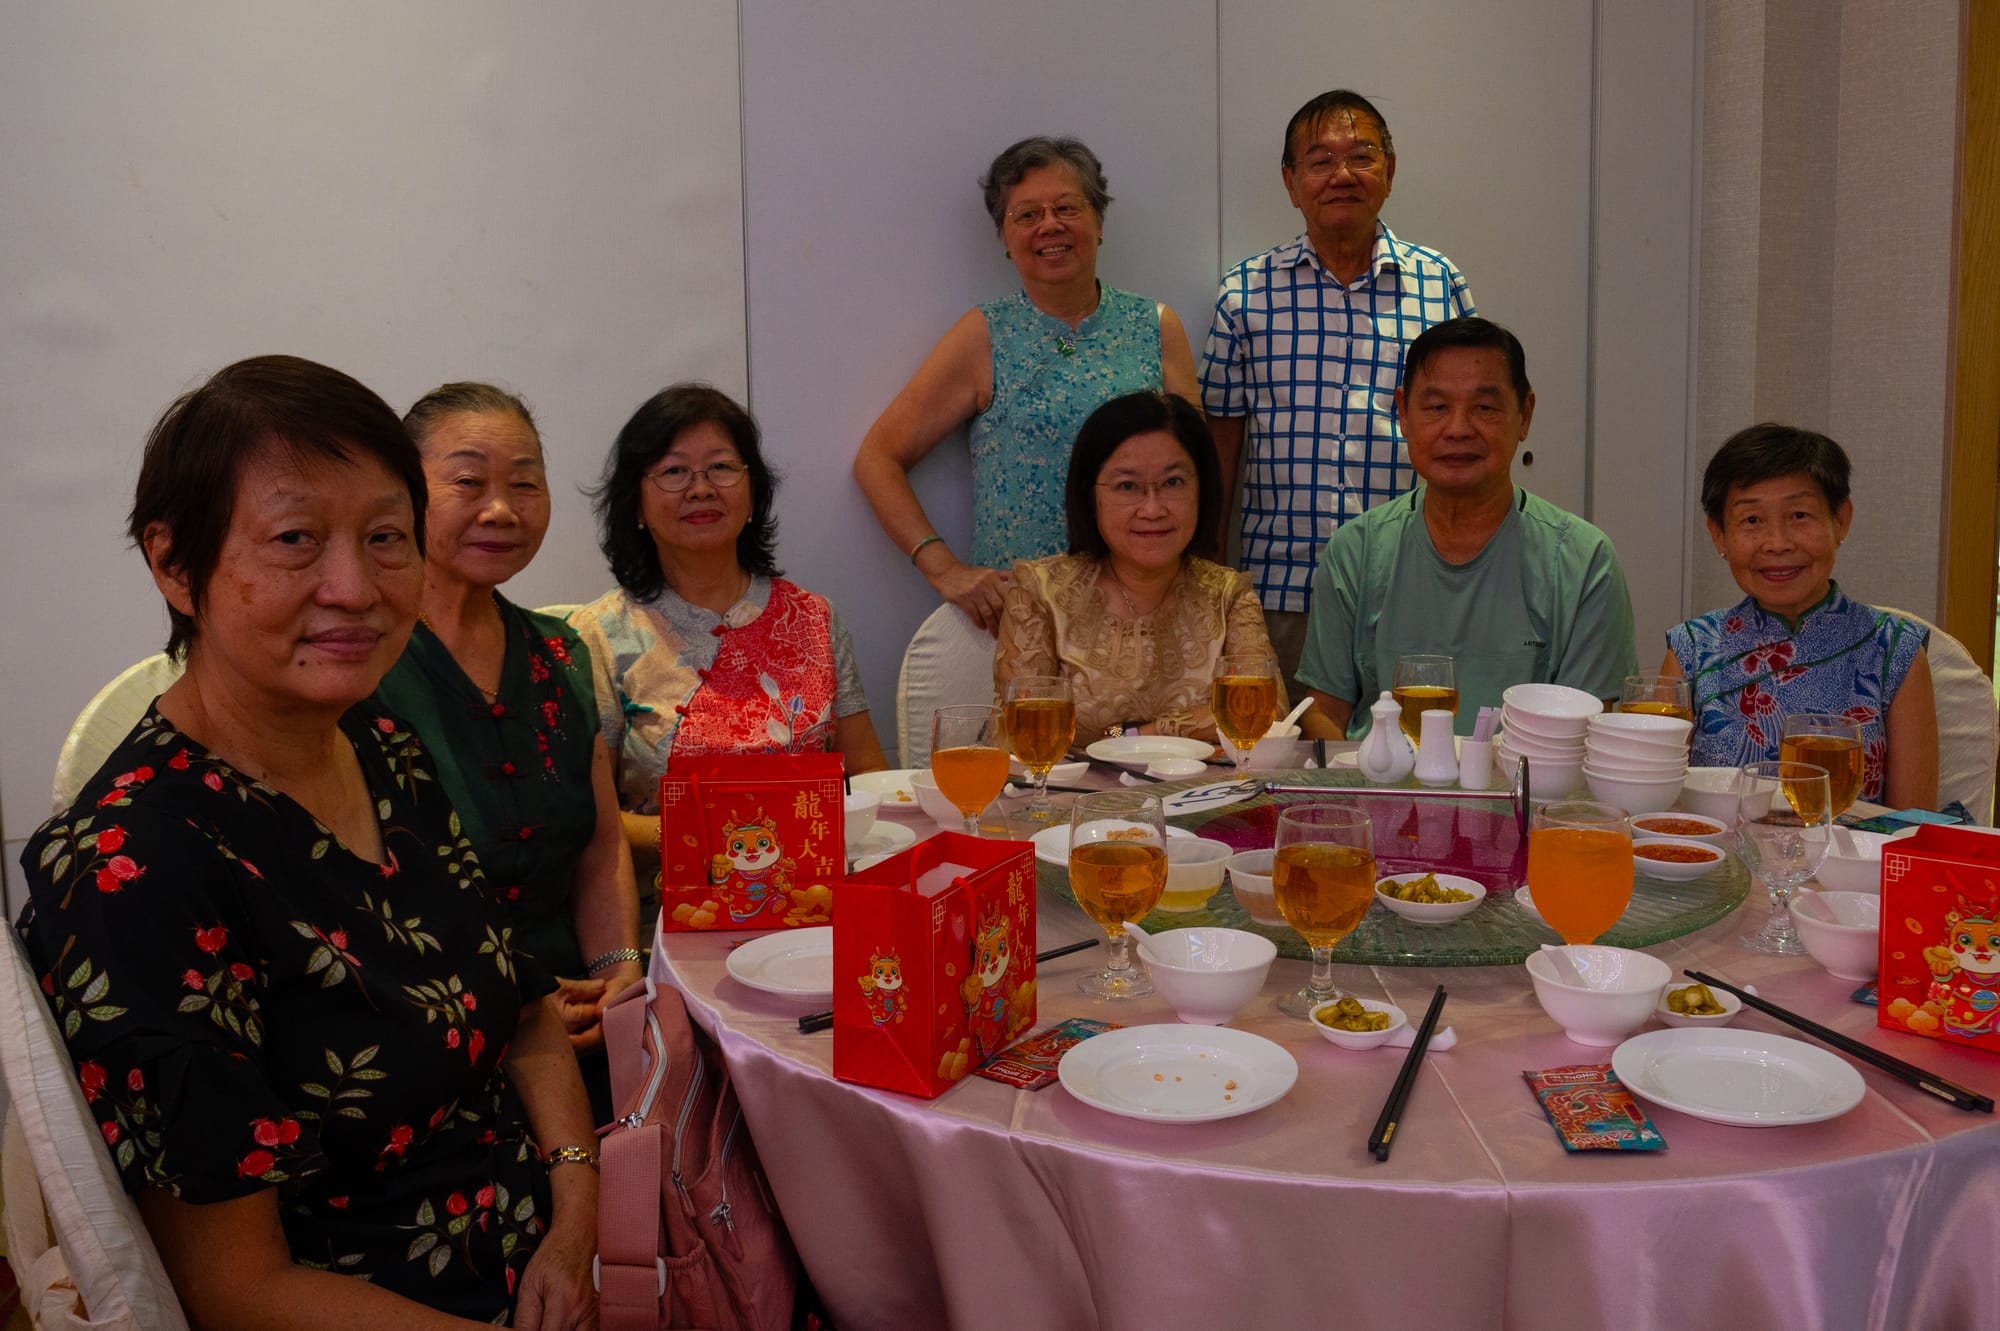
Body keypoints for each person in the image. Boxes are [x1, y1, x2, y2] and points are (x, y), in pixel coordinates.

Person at [16, 356, 596, 1327]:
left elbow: (524, 1007)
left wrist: (576, 1216)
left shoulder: (381, 745)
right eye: (295, 539)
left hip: (543, 1250)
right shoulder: (130, 865)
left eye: (385, 537)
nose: (355, 588)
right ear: (174, 564)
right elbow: (237, 1288)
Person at [373, 382, 640, 1120]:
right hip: (430, 1035)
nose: (501, 509)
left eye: (525, 484)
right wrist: (514, 1003)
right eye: (468, 481)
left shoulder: (560, 652)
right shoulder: (360, 661)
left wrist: (619, 974)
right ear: (404, 492)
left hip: (586, 1016)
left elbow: (600, 843)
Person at [855, 135, 1201, 632]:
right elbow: (877, 458)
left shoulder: (1156, 327)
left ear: (1100, 222)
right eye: (1027, 215)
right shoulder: (983, 335)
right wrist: (943, 569)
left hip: (1147, 614)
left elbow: (1197, 471)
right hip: (1022, 623)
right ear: (1004, 238)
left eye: (1067, 207)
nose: (1050, 225)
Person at [570, 384, 889, 911]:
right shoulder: (599, 634)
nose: (700, 489)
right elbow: (591, 821)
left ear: (752, 492)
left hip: (813, 903)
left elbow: (870, 776)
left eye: (720, 467)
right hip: (674, 912)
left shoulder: (814, 617)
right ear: (637, 504)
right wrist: (727, 840)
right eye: (674, 471)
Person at [1200, 89, 1476, 694]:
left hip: (1412, 590)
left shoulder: (1440, 284)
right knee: (1282, 753)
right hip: (1279, 593)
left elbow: (1473, 430)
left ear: (1390, 170)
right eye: (1320, 161)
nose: (1342, 175)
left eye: (1361, 156)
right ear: (1291, 182)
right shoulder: (1245, 292)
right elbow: (1220, 446)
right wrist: (1210, 579)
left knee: (1417, 750)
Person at [1298, 317, 1638, 736]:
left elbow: (1589, 728)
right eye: (1437, 407)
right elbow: (1323, 713)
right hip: (1377, 777)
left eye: (1484, 408)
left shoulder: (1584, 561)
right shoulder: (1355, 551)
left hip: (1525, 780)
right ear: (1403, 413)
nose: (1458, 429)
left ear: (1524, 414)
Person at [994, 390, 1317, 742]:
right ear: (1090, 495)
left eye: (1172, 482)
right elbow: (1021, 736)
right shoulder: (1040, 590)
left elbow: (1268, 714)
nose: (1152, 509)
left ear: (1202, 489)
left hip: (1204, 780)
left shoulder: (1228, 593)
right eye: (1127, 486)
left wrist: (1136, 735)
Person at [1664, 423, 1938, 807]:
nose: (1777, 544)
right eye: (1752, 520)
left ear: (1840, 521)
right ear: (1719, 534)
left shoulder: (1895, 650)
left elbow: (1910, 824)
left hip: (1852, 847)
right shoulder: (1691, 649)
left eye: (1799, 515)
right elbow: (1657, 802)